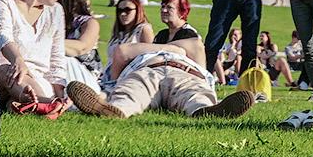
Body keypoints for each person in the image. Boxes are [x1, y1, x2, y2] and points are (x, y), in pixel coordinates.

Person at [66, 32, 256, 120]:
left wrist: (173, 50)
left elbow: (196, 45)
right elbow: (122, 51)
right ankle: (112, 110)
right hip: (147, 70)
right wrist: (174, 49)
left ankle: (207, 112)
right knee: (132, 92)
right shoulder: (151, 54)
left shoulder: (186, 48)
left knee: (194, 94)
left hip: (184, 73)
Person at [0, 0, 75, 112]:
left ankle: (28, 104)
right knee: (12, 72)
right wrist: (18, 60)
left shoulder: (56, 11)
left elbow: (56, 56)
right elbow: (4, 36)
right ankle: (45, 104)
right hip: (8, 70)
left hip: (40, 80)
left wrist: (60, 92)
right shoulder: (3, 0)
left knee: (19, 94)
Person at [61, 0, 102, 87]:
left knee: (64, 59)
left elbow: (82, 47)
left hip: (84, 79)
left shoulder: (87, 23)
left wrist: (44, 42)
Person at [105, 0, 154, 76]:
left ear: (138, 10)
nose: (123, 14)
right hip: (108, 77)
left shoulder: (143, 29)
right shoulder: (119, 33)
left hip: (130, 78)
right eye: (120, 10)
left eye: (128, 10)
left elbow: (150, 57)